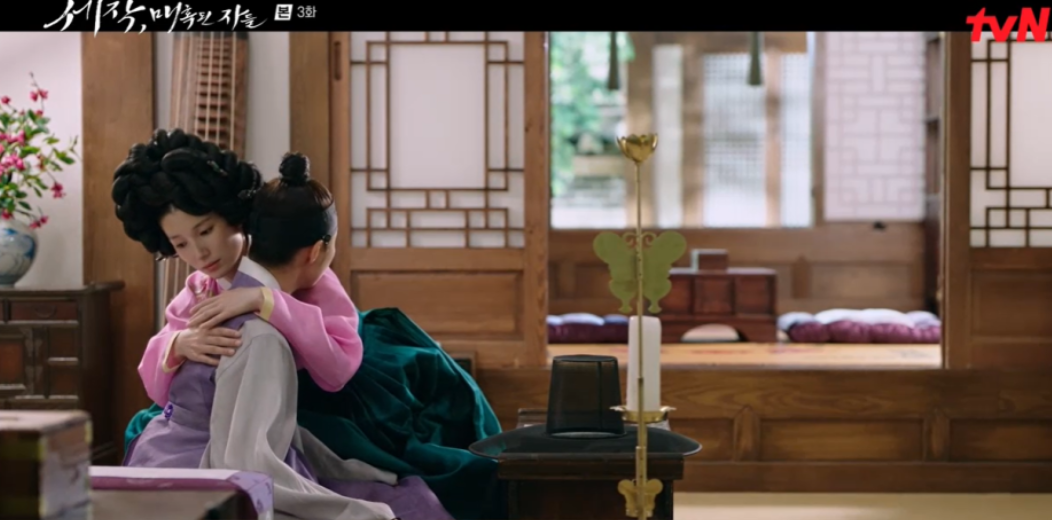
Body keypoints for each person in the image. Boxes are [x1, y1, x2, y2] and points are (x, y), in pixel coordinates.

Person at [113, 130, 504, 520]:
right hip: (235, 409)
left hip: (319, 395)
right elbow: (157, 373)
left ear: (232, 216)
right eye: (180, 244)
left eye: (205, 231)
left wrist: (267, 301)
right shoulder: (200, 288)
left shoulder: (299, 271)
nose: (199, 252)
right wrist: (179, 344)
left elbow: (337, 366)